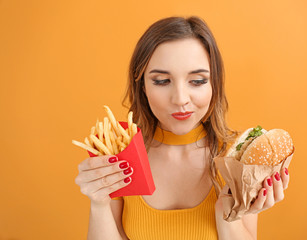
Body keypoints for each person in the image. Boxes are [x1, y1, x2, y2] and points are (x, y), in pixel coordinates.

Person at [75, 16, 290, 240]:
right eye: (161, 81)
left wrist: (229, 215)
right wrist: (98, 204)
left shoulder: (238, 160)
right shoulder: (120, 156)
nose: (180, 99)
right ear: (142, 87)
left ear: (214, 83)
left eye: (197, 81)